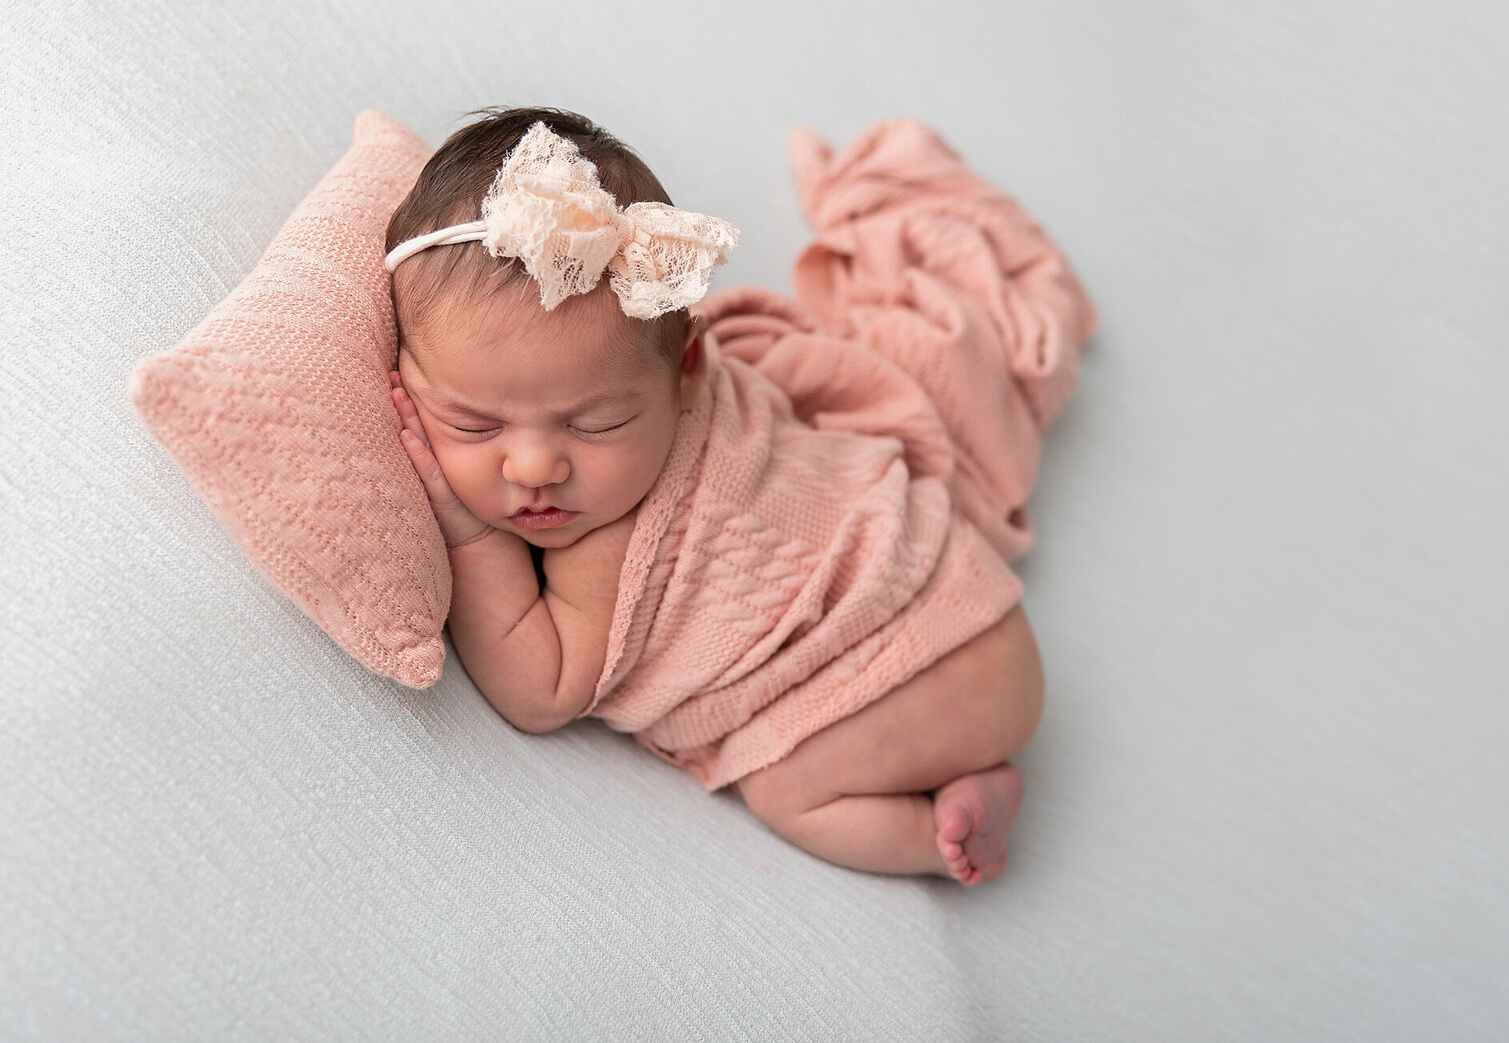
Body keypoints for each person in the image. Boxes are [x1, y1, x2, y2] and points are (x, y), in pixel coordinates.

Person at [383, 106, 1093, 884]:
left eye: (598, 422)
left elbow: (542, 692)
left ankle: (933, 830)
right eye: (474, 423)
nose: (534, 466)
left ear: (689, 374)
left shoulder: (608, 545)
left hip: (931, 659)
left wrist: (471, 533)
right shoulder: (624, 384)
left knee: (787, 789)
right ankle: (965, 773)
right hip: (973, 602)